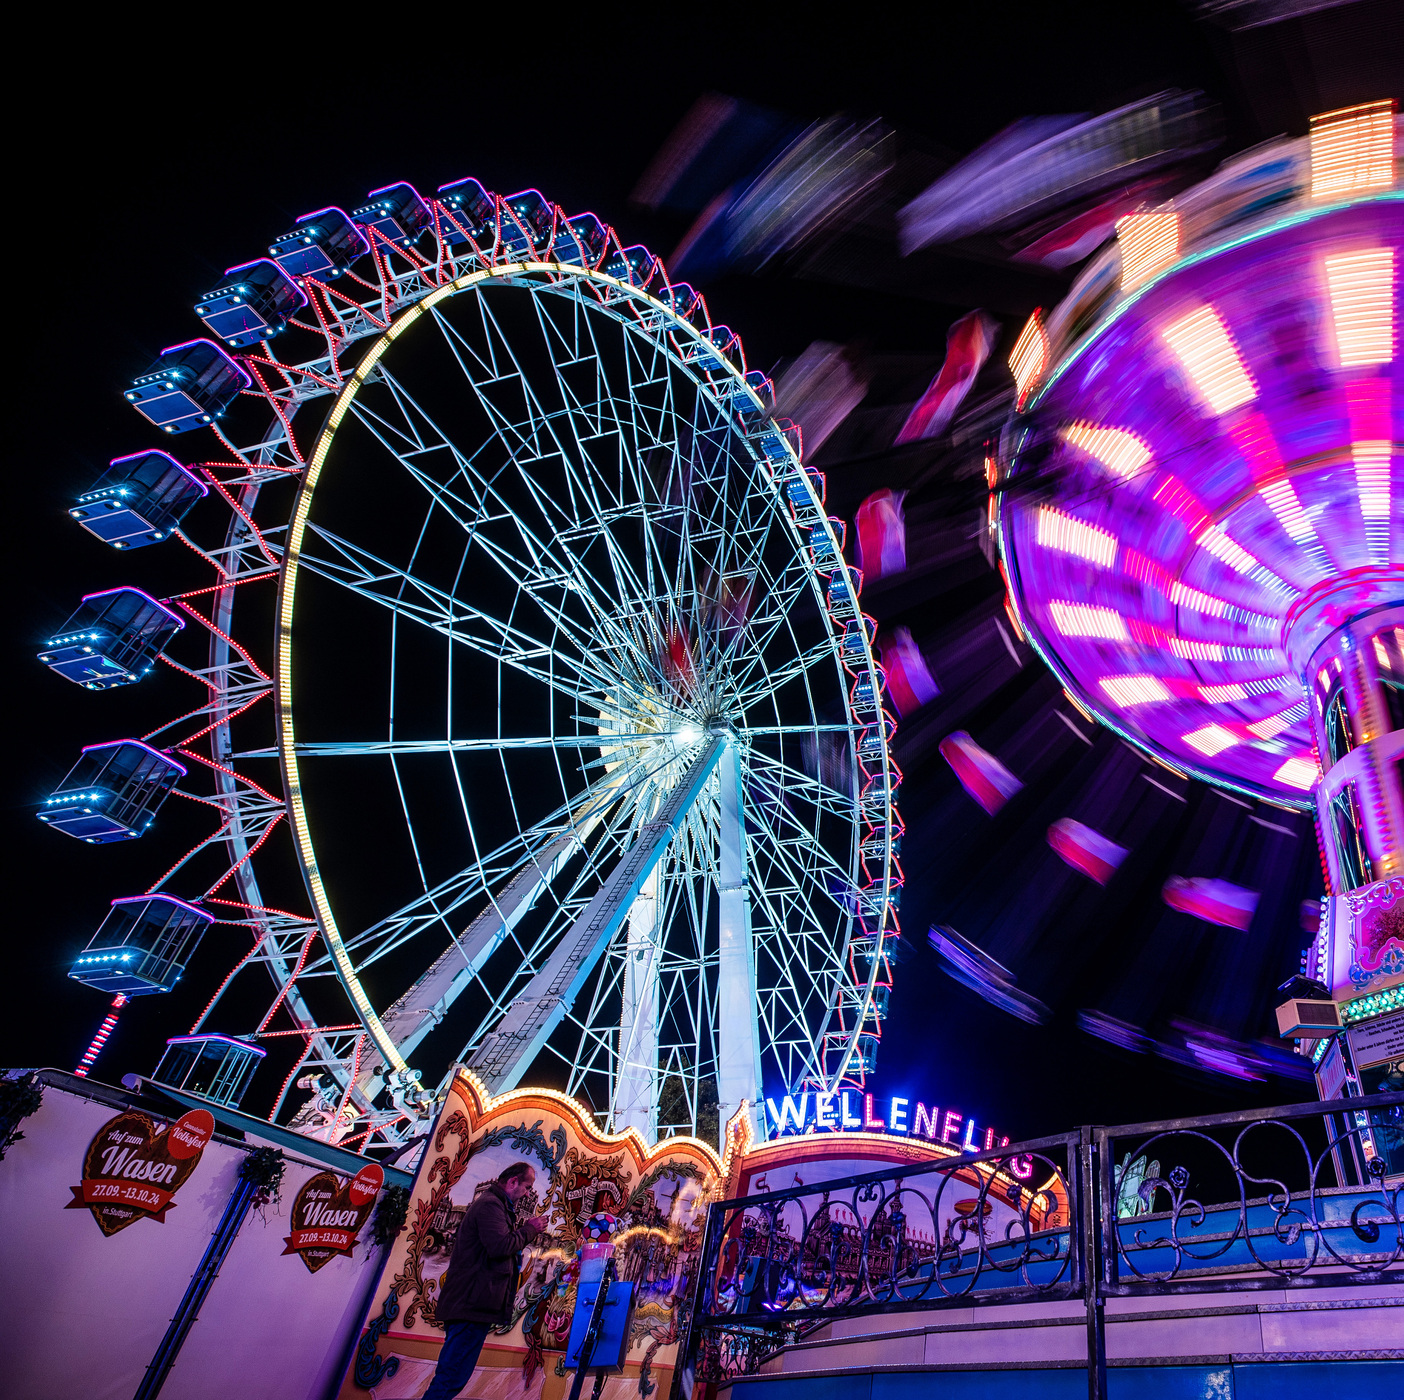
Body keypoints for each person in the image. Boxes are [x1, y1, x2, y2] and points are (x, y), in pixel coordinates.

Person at [423, 1162, 548, 1400]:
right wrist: (529, 1230)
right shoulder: (490, 1205)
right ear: (512, 1182)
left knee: (453, 1377)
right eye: (527, 1187)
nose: (529, 1193)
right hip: (470, 1305)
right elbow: (500, 1246)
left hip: (474, 1305)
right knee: (450, 1378)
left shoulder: (497, 1206)